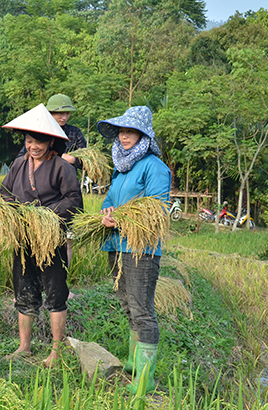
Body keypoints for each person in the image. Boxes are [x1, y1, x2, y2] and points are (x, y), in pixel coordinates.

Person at [0, 104, 83, 367]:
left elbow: (73, 200)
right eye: (29, 141)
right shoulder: (17, 165)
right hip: (24, 239)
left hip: (51, 239)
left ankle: (56, 352)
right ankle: (24, 346)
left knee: (55, 293)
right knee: (24, 291)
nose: (33, 146)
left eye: (39, 141)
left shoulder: (61, 167)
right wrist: (18, 213)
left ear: (51, 141)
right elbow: (5, 193)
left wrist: (45, 216)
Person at [97, 106, 171, 394]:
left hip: (141, 248)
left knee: (142, 310)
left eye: (131, 131)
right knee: (127, 304)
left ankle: (145, 380)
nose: (124, 136)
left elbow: (157, 210)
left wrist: (123, 218)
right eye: (122, 131)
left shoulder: (154, 167)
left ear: (144, 135)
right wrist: (106, 214)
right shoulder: (121, 166)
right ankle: (133, 364)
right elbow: (109, 200)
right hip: (116, 244)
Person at [16, 94, 87, 273]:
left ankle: (62, 282)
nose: (63, 117)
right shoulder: (38, 130)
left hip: (65, 191)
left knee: (66, 239)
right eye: (57, 113)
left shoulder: (74, 133)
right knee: (35, 238)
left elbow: (86, 161)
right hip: (41, 193)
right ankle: (37, 281)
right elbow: (22, 157)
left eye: (66, 113)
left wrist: (72, 160)